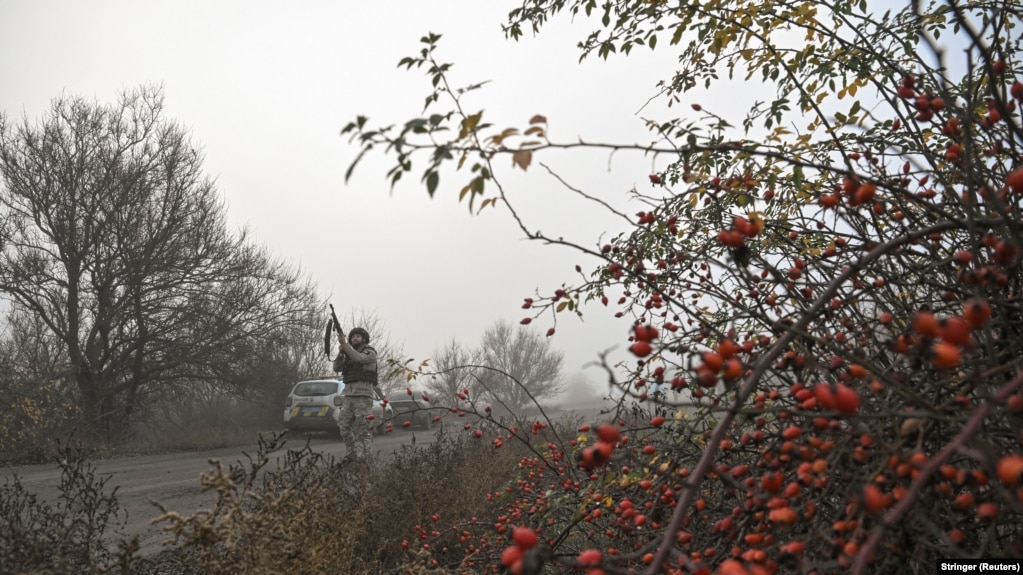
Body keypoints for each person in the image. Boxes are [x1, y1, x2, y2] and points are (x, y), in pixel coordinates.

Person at [332, 327, 381, 459]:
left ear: (364, 339)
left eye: (358, 336)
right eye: (353, 336)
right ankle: (351, 454)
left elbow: (359, 358)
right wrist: (341, 353)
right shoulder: (349, 354)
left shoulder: (370, 353)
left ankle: (367, 456)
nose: (355, 338)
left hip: (363, 396)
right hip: (349, 396)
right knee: (343, 426)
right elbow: (336, 367)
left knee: (364, 428)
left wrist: (344, 345)